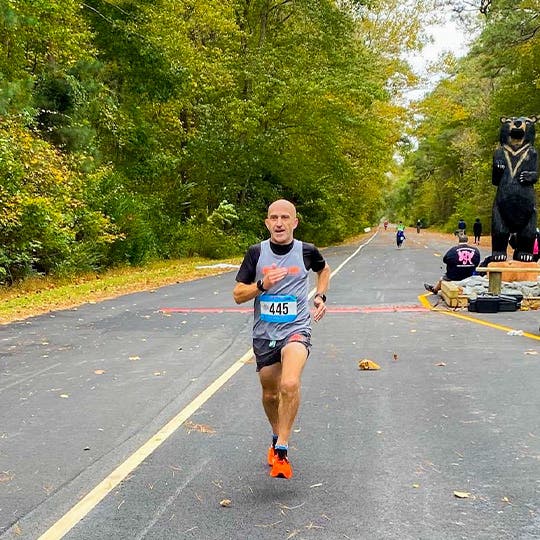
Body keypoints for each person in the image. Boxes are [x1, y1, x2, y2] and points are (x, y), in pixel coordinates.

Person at [233, 199, 330, 479]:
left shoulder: (307, 252)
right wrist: (262, 285)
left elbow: (324, 270)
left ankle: (283, 450)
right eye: (273, 218)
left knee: (289, 383)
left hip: (297, 327)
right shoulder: (255, 254)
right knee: (270, 393)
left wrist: (320, 296)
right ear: (266, 223)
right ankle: (276, 436)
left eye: (285, 217)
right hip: (264, 335)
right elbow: (238, 295)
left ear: (294, 222)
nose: (279, 223)